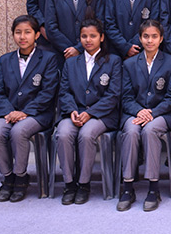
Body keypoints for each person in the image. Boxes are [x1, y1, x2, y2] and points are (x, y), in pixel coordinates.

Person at [0, 15, 59, 202]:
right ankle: (8, 177)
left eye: (27, 32)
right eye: (18, 32)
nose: (22, 37)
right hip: (8, 113)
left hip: (37, 114)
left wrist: (25, 112)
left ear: (36, 35)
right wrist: (9, 112)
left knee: (18, 132)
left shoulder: (48, 59)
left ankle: (20, 177)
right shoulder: (5, 60)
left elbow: (48, 93)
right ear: (13, 35)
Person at [117, 19, 171, 212]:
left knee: (150, 130)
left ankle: (153, 187)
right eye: (146, 36)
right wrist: (139, 111)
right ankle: (128, 186)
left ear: (161, 39)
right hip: (135, 112)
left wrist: (152, 113)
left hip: (162, 114)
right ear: (140, 38)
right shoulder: (129, 64)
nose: (150, 40)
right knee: (131, 131)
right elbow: (126, 97)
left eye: (154, 36)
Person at [56, 19, 121, 205]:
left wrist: (91, 113)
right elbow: (64, 91)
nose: (88, 40)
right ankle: (69, 183)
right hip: (74, 112)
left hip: (101, 115)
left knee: (86, 134)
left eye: (93, 36)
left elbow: (113, 94)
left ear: (102, 37)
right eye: (84, 36)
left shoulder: (113, 61)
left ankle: (84, 184)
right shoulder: (71, 63)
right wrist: (72, 110)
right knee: (63, 133)